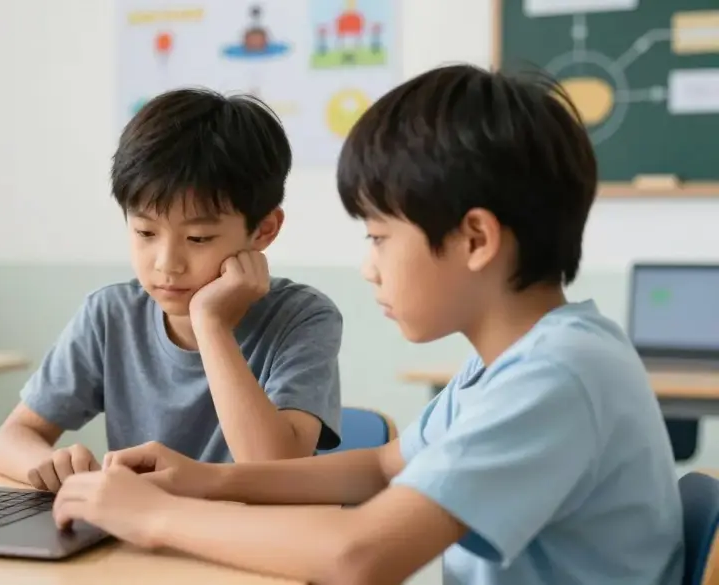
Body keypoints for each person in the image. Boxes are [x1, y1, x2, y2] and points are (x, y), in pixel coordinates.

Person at [49, 65, 685, 585]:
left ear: (475, 238)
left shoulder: (556, 377)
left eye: (380, 237)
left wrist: (157, 517)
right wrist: (207, 479)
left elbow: (361, 558)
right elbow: (384, 466)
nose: (369, 267)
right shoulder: (517, 360)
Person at [0, 88, 344, 492]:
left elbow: (276, 471)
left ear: (263, 230)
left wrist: (210, 324)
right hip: (145, 543)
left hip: (253, 545)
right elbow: (11, 438)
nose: (166, 263)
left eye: (198, 238)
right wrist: (52, 464)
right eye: (145, 232)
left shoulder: (303, 317)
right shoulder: (111, 314)